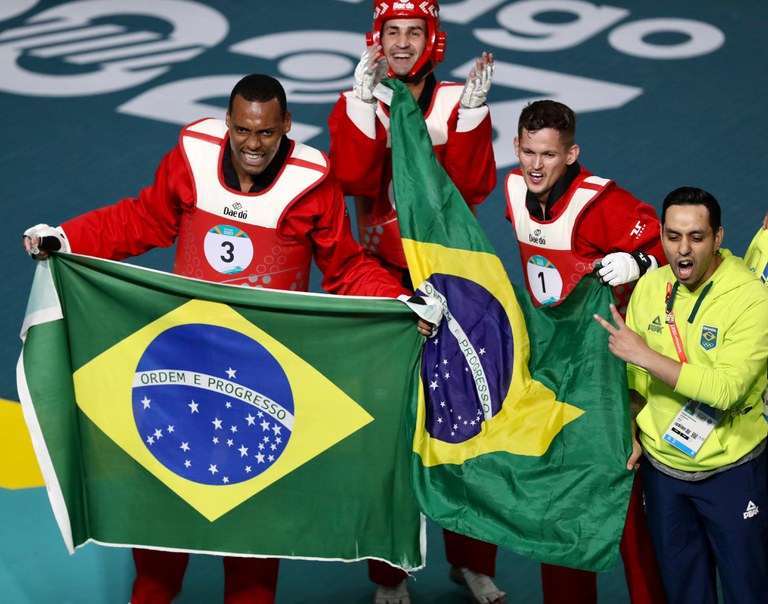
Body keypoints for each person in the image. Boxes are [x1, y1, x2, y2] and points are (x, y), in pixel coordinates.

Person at [23, 74, 436, 604]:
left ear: (286, 126)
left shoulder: (312, 186)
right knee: (157, 536)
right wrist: (69, 236)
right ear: (228, 122)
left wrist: (400, 299)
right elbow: (142, 220)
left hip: (264, 388)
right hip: (177, 377)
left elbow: (346, 267)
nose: (252, 144)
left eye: (265, 132)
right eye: (242, 129)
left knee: (254, 540)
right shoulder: (191, 162)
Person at [328, 2, 503, 604]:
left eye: (415, 33)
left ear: (434, 40)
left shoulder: (459, 102)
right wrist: (357, 103)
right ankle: (389, 576)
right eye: (392, 32)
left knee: (467, 427)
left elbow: (474, 187)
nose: (403, 44)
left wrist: (475, 119)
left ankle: (473, 562)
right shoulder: (363, 97)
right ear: (376, 37)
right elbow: (350, 178)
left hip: (455, 284)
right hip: (384, 282)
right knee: (389, 432)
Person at [504, 99, 667, 604]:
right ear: (515, 148)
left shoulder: (601, 203)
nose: (536, 165)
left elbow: (672, 243)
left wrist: (637, 261)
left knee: (624, 512)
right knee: (560, 510)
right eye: (528, 152)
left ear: (571, 153)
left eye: (549, 155)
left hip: (606, 377)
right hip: (553, 373)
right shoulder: (514, 192)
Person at [594, 187, 768, 603]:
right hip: (665, 475)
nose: (683, 250)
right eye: (672, 237)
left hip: (733, 472)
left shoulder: (751, 298)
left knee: (749, 592)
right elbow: (635, 381)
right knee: (685, 592)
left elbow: (727, 390)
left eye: (696, 237)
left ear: (718, 237)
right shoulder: (651, 288)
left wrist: (645, 355)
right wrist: (632, 430)